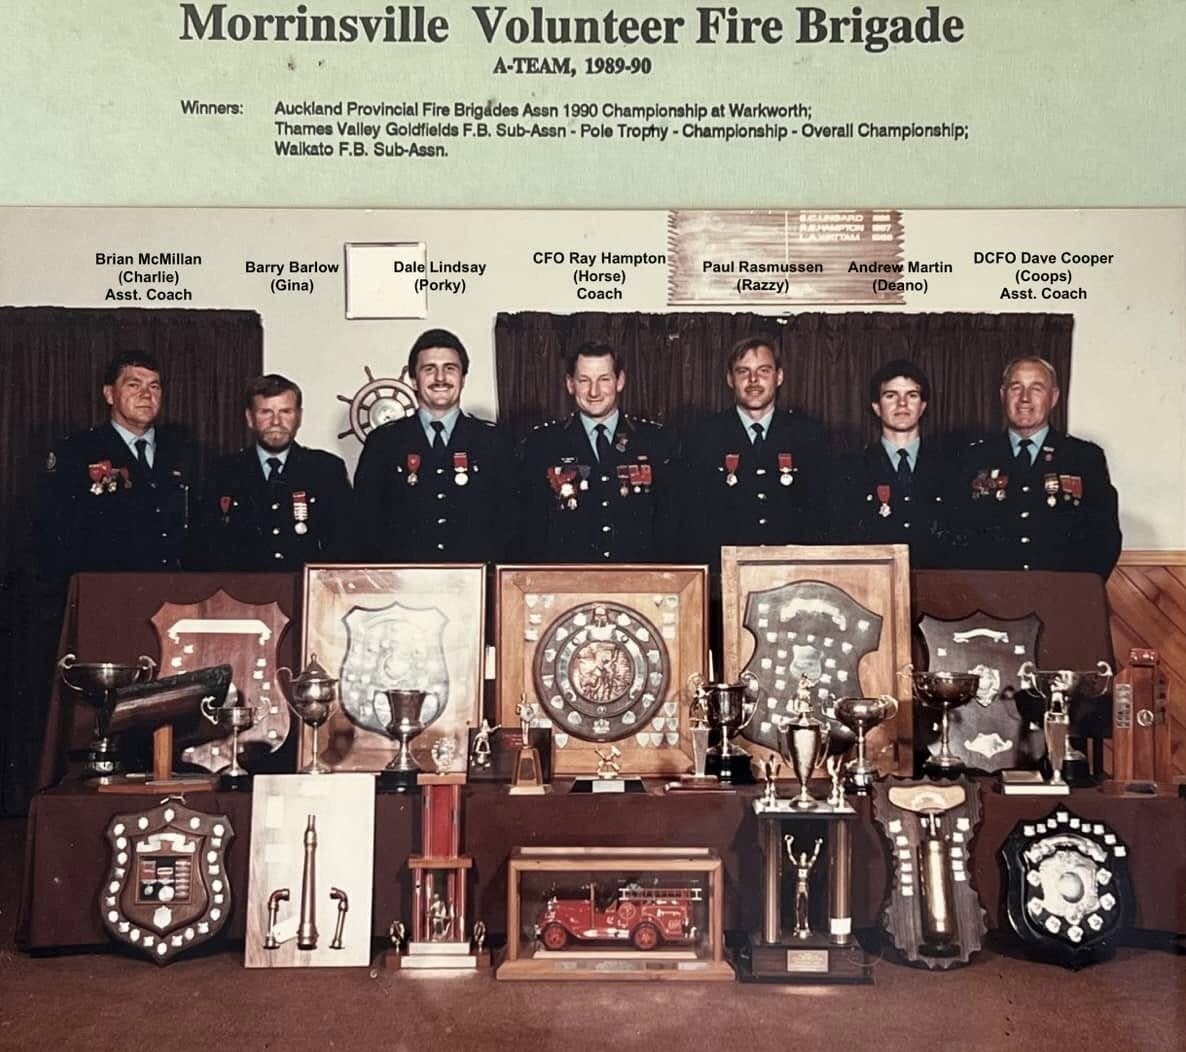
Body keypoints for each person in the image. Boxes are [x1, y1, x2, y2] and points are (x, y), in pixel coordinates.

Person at [352, 328, 516, 563]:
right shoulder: (384, 443)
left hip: (475, 585)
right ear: (413, 379)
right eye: (429, 369)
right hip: (404, 586)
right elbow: (365, 524)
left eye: (450, 368)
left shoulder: (495, 441)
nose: (440, 378)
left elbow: (510, 523)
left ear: (463, 378)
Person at [950, 356, 1121, 577]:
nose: (1024, 399)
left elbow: (1105, 539)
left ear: (1054, 397)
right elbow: (956, 535)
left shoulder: (1084, 458)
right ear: (1003, 395)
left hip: (1061, 600)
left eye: (1036, 389)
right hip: (991, 601)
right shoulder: (974, 457)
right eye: (1016, 388)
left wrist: (1077, 592)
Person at [39, 350, 196, 580]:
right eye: (134, 385)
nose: (146, 395)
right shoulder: (78, 451)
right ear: (109, 394)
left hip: (171, 592)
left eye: (154, 386)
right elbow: (56, 536)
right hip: (108, 594)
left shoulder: (182, 451)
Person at [680, 335, 828, 570]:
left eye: (764, 371)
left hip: (792, 574)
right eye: (743, 372)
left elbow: (821, 517)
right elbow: (692, 521)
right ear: (730, 379)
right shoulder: (704, 436)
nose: (753, 380)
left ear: (779, 376)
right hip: (725, 577)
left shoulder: (808, 435)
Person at [519, 342, 676, 563]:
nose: (594, 392)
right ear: (570, 384)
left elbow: (671, 527)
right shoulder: (543, 443)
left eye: (604, 379)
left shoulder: (655, 441)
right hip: (569, 584)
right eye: (584, 380)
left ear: (620, 381)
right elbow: (531, 529)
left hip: (639, 584)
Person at [200, 374, 352, 571]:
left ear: (299, 417)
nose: (276, 421)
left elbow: (345, 545)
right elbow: (206, 547)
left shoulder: (326, 470)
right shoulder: (223, 472)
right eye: (266, 412)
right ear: (250, 418)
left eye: (285, 412)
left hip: (305, 593)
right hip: (241, 595)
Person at [829, 359, 951, 566]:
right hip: (875, 586)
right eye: (891, 395)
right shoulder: (852, 469)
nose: (902, 404)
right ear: (876, 407)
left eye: (911, 395)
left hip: (936, 586)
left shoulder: (948, 468)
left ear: (922, 406)